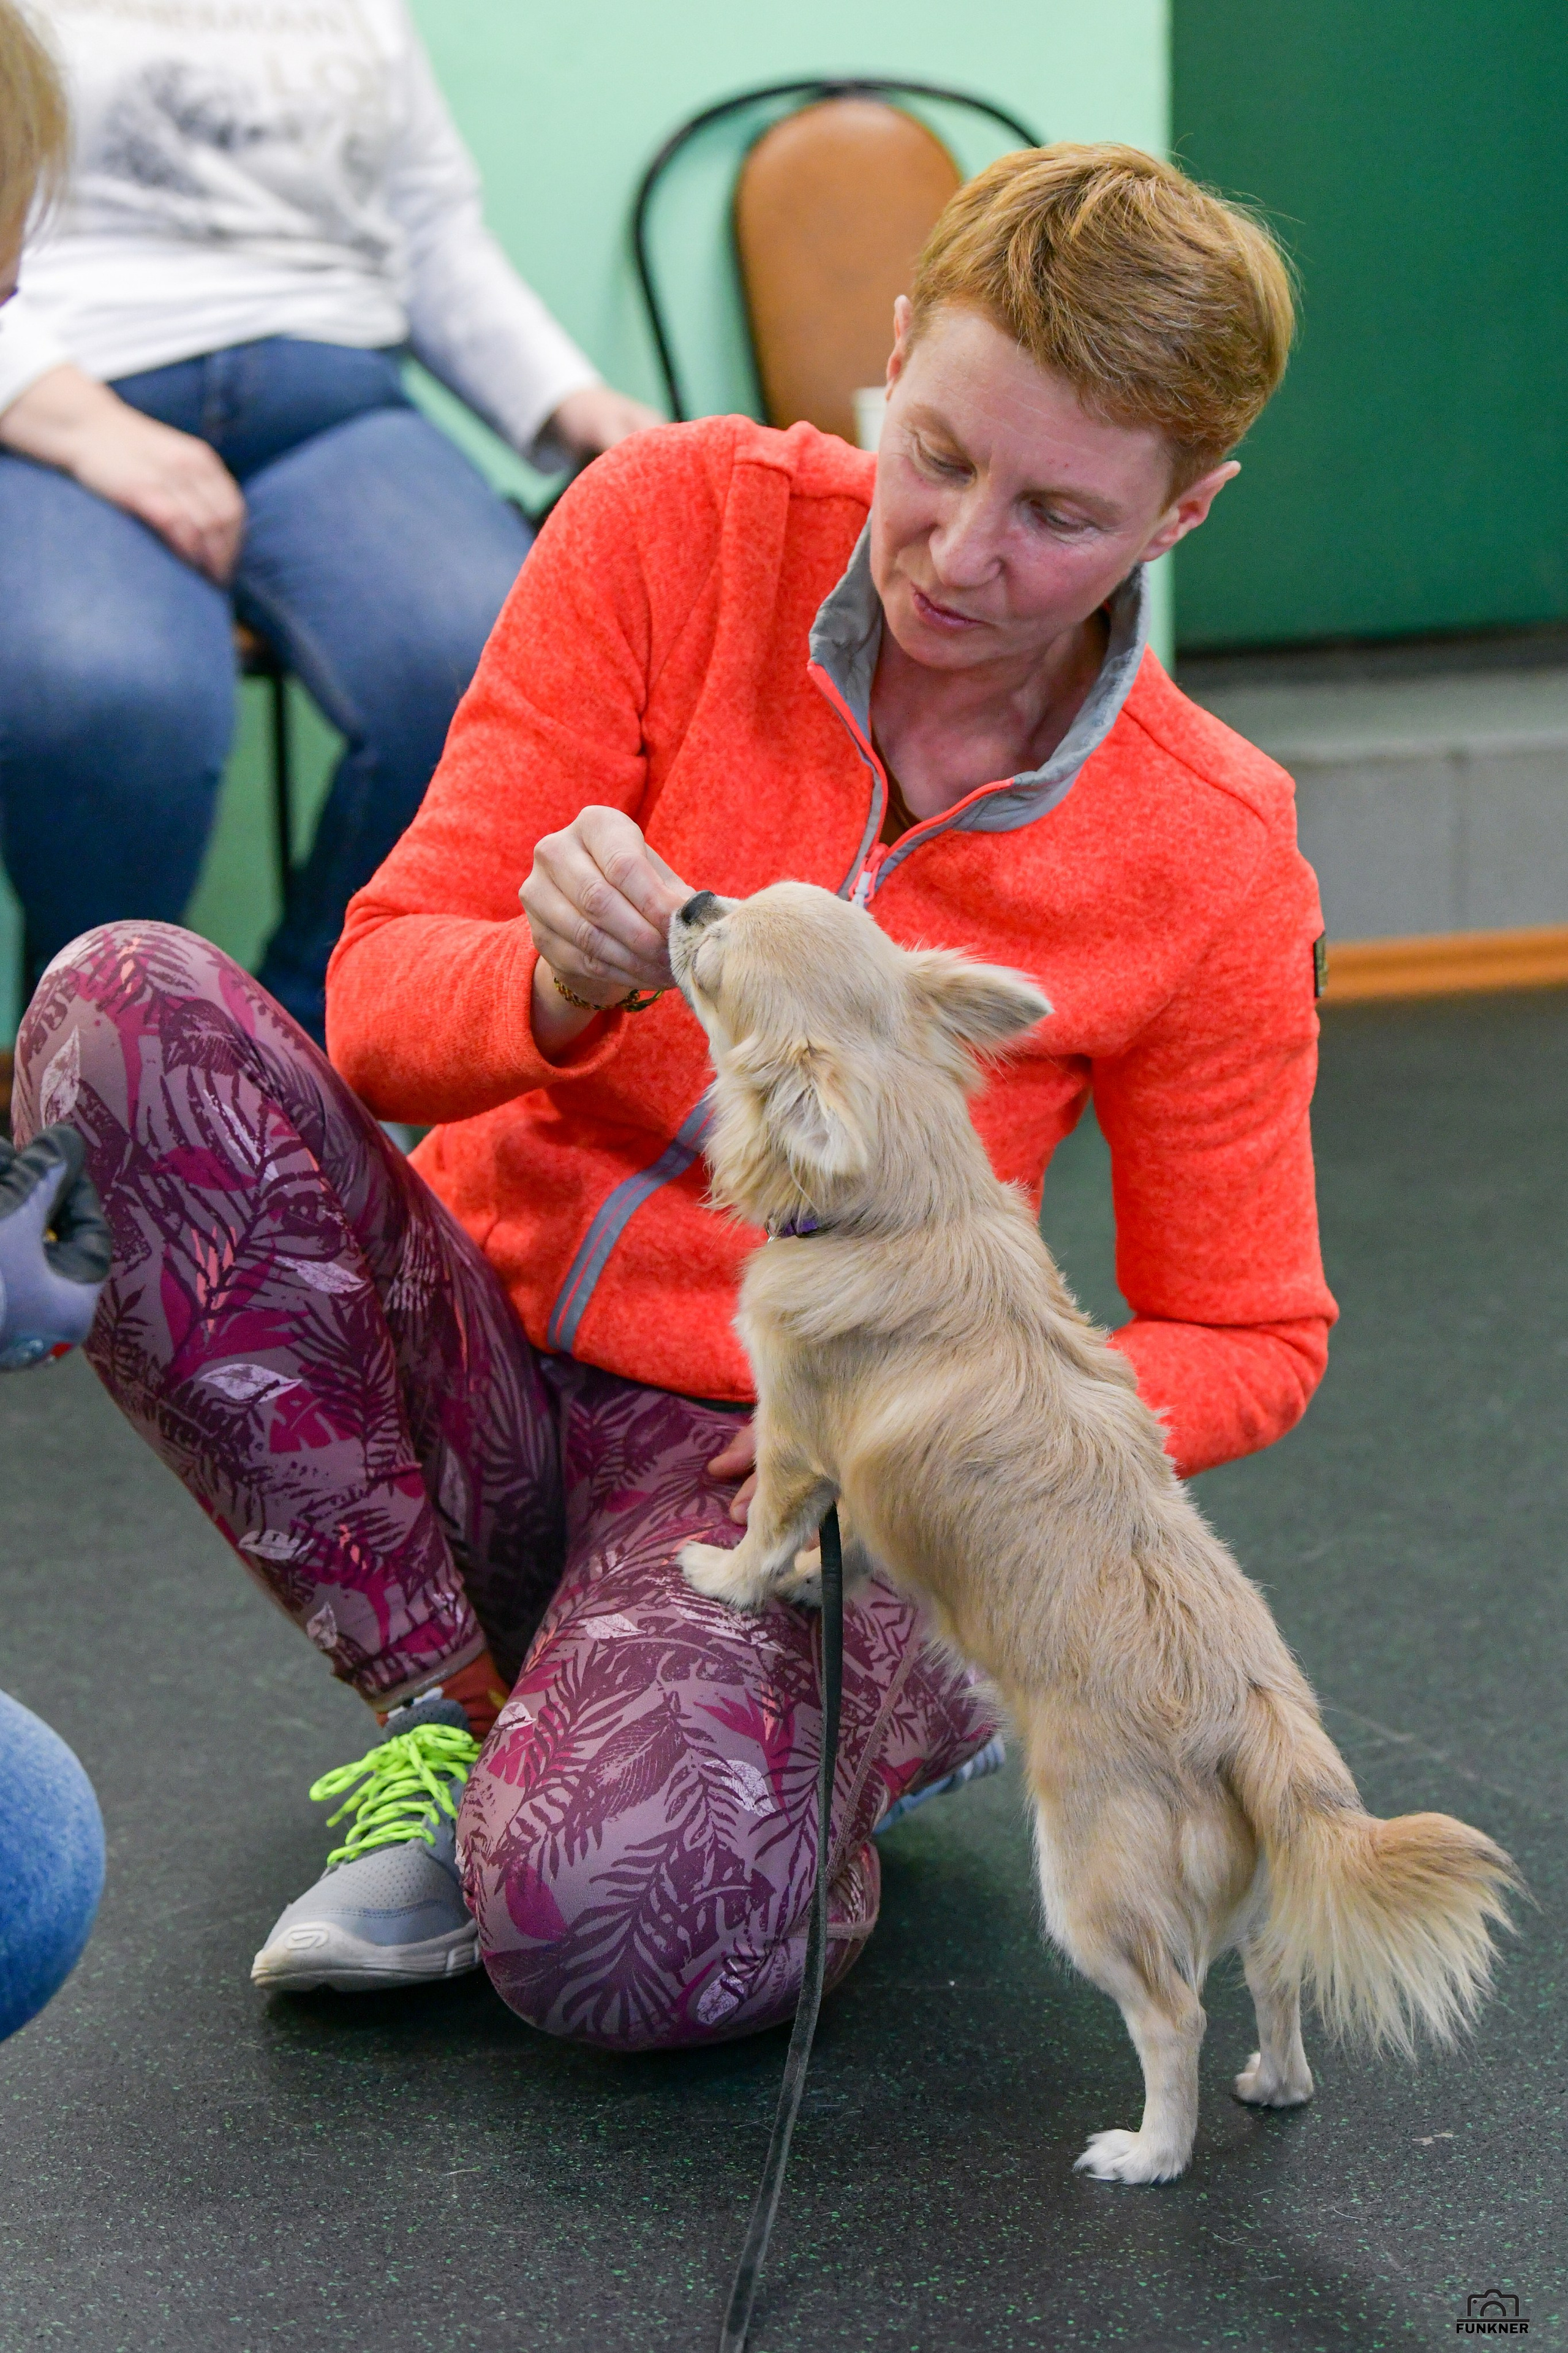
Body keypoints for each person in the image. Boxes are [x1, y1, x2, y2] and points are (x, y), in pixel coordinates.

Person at [14, 144, 1337, 2049]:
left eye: (1059, 514)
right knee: (119, 1005)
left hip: (788, 1463)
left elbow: (1251, 1327)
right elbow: (378, 1009)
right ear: (892, 355)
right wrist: (546, 982)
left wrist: (953, 1444)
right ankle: (456, 1721)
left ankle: (838, 1715)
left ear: (1182, 513)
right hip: (472, 1362)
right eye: (941, 455)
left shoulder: (1214, 849)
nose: (964, 553)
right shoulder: (670, 524)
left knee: (611, 1934)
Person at [0, 0, 657, 1044]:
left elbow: (436, 234)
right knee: (111, 696)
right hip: (62, 389)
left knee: (491, 662)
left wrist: (573, 401)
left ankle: (293, 1058)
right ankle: (97, 1081)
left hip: (333, 392)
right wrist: (79, 422)